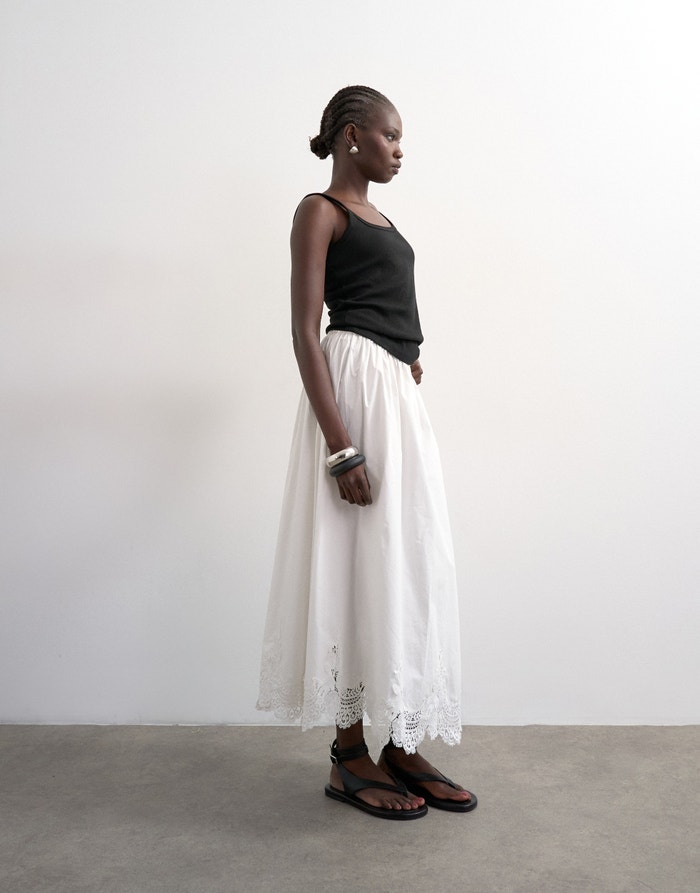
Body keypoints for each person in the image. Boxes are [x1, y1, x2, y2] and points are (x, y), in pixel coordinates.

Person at [257, 85, 476, 820]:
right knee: (354, 560)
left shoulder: (382, 217)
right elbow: (304, 331)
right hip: (352, 393)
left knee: (406, 559)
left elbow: (388, 305)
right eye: (391, 136)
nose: (400, 150)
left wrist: (405, 358)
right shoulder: (320, 211)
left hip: (393, 396)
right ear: (353, 135)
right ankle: (349, 754)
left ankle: (400, 742)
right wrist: (340, 448)